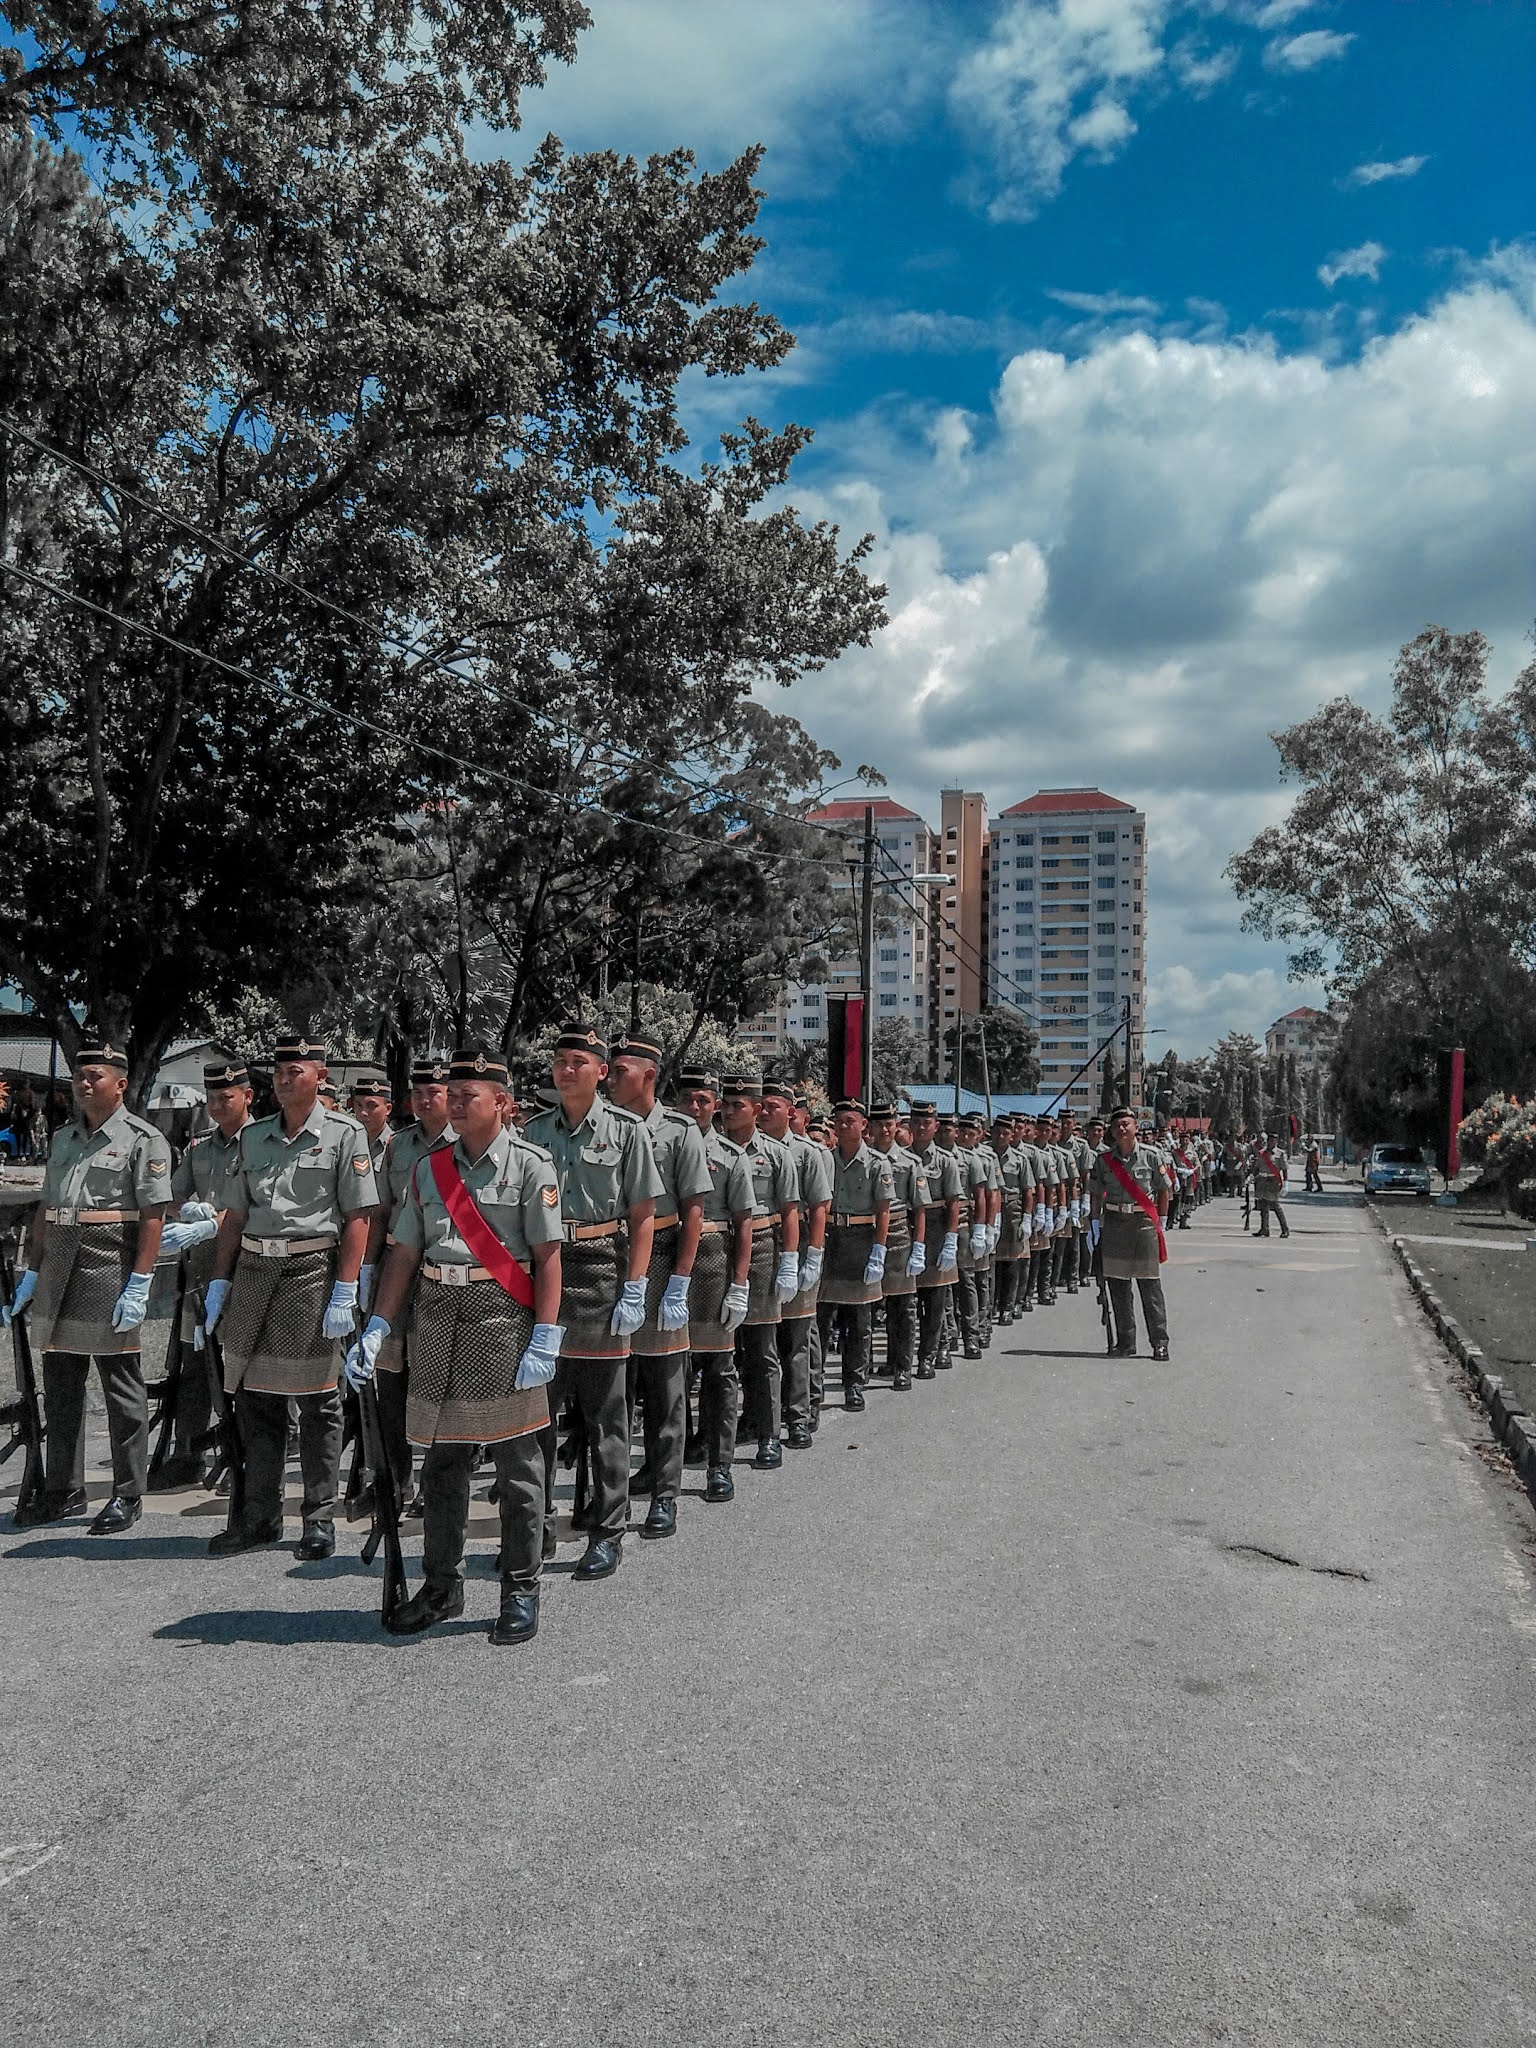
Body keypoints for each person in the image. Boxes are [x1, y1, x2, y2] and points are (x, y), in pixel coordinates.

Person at [346, 1044, 562, 1643]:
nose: (460, 1103)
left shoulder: (532, 1166)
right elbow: (404, 1253)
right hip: (438, 1313)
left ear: (503, 1102)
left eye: (473, 1095)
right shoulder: (428, 1168)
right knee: (443, 1461)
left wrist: (545, 1334)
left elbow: (547, 1258)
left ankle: (520, 1587)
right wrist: (380, 1325)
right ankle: (442, 1584)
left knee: (518, 1463)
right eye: (456, 1095)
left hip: (502, 1315)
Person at [202, 1032, 379, 1560]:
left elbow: (359, 1217)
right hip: (256, 1269)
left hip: (311, 1269)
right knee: (255, 1399)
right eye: (278, 1071)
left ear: (320, 1077)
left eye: (295, 1070)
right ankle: (259, 1516)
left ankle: (319, 1518)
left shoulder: (345, 1135)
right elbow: (234, 1215)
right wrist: (220, 1280)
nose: (283, 1078)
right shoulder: (253, 1138)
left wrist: (346, 1288)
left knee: (319, 1399)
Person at [4, 1037, 172, 1531]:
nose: (82, 1082)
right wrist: (33, 1271)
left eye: (94, 1075)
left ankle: (128, 1491)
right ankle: (64, 1488)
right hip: (60, 1257)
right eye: (80, 1074)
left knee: (120, 1382)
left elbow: (154, 1218)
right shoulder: (62, 1139)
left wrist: (140, 1282)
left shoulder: (144, 1140)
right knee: (60, 1381)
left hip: (108, 1260)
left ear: (120, 1084)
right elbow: (47, 1210)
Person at [522, 1024, 662, 1580]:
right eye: (559, 1060)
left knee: (607, 1418)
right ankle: (537, 1528)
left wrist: (636, 1286)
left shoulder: (627, 1132)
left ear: (601, 1071)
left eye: (578, 1061)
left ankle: (608, 1530)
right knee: (537, 1415)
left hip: (603, 1266)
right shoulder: (532, 1133)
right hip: (544, 1271)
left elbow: (643, 1215)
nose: (565, 1069)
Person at [605, 1034, 712, 1538]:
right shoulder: (604, 1125)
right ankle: (621, 1485)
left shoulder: (680, 1130)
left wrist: (680, 1282)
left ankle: (665, 1492)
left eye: (620, 1069)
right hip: (612, 1254)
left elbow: (693, 1209)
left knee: (665, 1381)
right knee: (612, 1384)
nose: (610, 1077)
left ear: (649, 1075)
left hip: (665, 1251)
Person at [150, 1053, 255, 1489]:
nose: (216, 1105)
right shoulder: (200, 1147)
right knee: (194, 1365)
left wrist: (218, 1220)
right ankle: (188, 1450)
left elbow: (265, 1205)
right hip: (200, 1270)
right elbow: (171, 1197)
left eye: (225, 1097)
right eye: (211, 1097)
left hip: (248, 1268)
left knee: (245, 1368)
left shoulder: (263, 1143)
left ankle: (245, 1455)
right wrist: (188, 1210)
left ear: (247, 1096)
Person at [369, 1056, 456, 1501]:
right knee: (390, 1378)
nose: (423, 1100)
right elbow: (382, 1210)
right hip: (397, 1267)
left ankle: (435, 1484)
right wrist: (368, 1269)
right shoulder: (398, 1146)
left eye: (433, 1093)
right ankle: (393, 1479)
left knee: (437, 1377)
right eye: (417, 1093)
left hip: (441, 1269)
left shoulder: (466, 1141)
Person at [674, 1067, 755, 1503]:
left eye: (704, 1100)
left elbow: (744, 1224)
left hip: (713, 1265)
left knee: (719, 1371)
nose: (695, 1107)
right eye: (687, 1099)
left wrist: (739, 1284)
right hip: (669, 1267)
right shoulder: (660, 1145)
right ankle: (668, 1457)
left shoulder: (729, 1154)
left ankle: (719, 1465)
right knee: (668, 1375)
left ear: (716, 1105)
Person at [717, 1076, 799, 1476]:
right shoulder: (707, 1149)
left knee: (762, 1348)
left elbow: (789, 1211)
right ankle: (717, 1433)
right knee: (716, 1352)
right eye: (726, 1104)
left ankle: (769, 1432)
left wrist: (791, 1260)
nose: (730, 1112)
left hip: (764, 1247)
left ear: (755, 1109)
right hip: (718, 1248)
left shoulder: (775, 1154)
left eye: (739, 1105)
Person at [759, 1078, 830, 1450]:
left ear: (791, 1111)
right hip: (761, 1247)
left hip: (798, 1245)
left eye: (774, 1105)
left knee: (797, 1340)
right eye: (763, 1105)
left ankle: (798, 1416)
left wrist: (812, 1257)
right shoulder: (748, 1147)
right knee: (760, 1341)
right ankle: (759, 1414)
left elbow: (819, 1208)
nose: (766, 1111)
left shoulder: (806, 1153)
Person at [814, 1099, 894, 1411]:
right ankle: (815, 1381)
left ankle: (854, 1384)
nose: (844, 1126)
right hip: (832, 1237)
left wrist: (879, 1249)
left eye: (851, 1120)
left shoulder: (877, 1163)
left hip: (862, 1238)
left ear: (863, 1125)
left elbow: (884, 1210)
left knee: (859, 1322)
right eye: (840, 1120)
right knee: (822, 1318)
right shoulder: (824, 1159)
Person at [1089, 1106, 1172, 1360]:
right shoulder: (1104, 1161)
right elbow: (1095, 1193)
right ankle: (1126, 1342)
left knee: (1150, 1286)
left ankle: (1159, 1341)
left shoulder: (1152, 1155)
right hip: (1114, 1223)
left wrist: (1163, 1219)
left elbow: (1163, 1190)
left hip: (1142, 1223)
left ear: (1136, 1127)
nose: (1122, 1128)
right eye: (1117, 1125)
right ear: (1112, 1132)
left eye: (1126, 1123)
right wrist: (1093, 1223)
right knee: (1118, 1286)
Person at [865, 1101, 928, 1389]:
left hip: (899, 1232)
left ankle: (902, 1366)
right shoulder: (863, 1158)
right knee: (865, 1306)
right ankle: (867, 1363)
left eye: (889, 1123)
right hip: (865, 1233)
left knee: (903, 1306)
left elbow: (920, 1209)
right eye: (879, 1124)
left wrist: (919, 1247)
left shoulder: (909, 1162)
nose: (884, 1129)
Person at [907, 1100, 962, 1374]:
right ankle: (899, 1357)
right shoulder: (901, 1158)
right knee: (904, 1300)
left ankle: (929, 1354)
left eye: (926, 1122)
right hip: (908, 1229)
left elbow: (953, 1203)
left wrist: (951, 1240)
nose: (920, 1127)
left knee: (935, 1300)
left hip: (937, 1228)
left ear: (935, 1126)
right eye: (916, 1122)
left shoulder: (946, 1161)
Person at [348, 1070, 394, 1182]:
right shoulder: (347, 1143)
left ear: (388, 1109)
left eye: (371, 1106)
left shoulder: (396, 1146)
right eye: (359, 1105)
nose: (363, 1112)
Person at [1249, 1131, 1291, 1239]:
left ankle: (1285, 1229)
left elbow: (1285, 1169)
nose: (1270, 1143)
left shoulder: (1280, 1153)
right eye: (1269, 1140)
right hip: (1262, 1181)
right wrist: (1251, 1176)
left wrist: (1286, 1183)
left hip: (1273, 1181)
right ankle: (1264, 1229)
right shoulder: (1261, 1153)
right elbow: (1257, 1167)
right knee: (1263, 1206)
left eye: (1273, 1141)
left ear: (1276, 1142)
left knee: (1275, 1206)